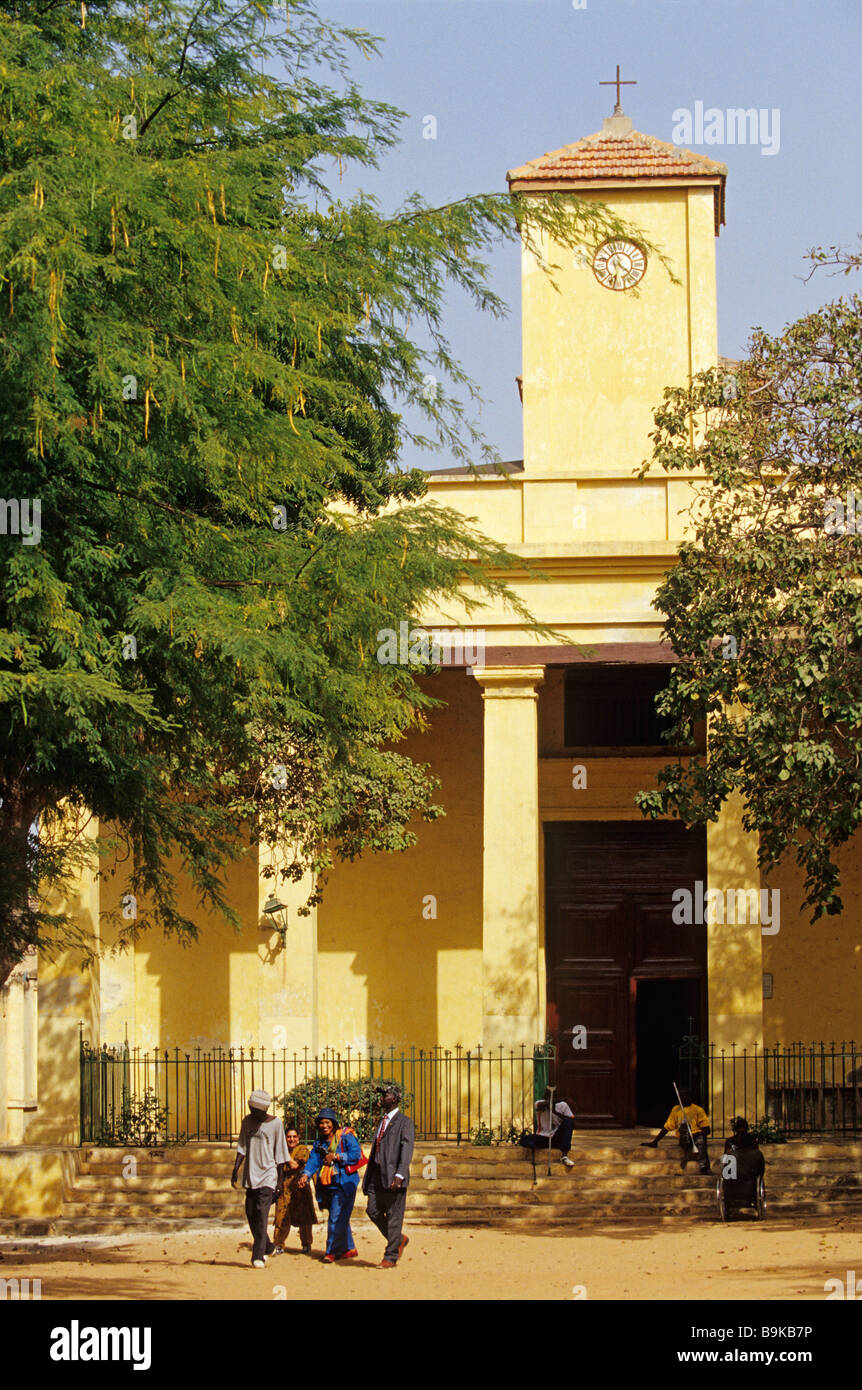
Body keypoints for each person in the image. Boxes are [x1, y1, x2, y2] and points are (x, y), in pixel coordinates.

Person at [231, 1088, 289, 1268]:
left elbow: (280, 1153)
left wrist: (279, 1180)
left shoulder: (275, 1124)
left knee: (262, 1213)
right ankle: (269, 1247)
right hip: (251, 1174)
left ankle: (257, 1256)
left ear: (263, 1110)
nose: (251, 1112)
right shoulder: (247, 1122)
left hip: (269, 1174)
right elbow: (242, 1146)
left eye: (255, 1109)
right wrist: (235, 1169)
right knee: (251, 1213)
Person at [298, 1108, 365, 1262]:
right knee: (339, 1216)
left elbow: (356, 1155)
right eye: (321, 1123)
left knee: (335, 1217)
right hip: (328, 1184)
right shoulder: (319, 1142)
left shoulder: (345, 1137)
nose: (324, 1125)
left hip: (345, 1184)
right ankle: (350, 1248)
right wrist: (306, 1175)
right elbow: (313, 1161)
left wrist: (337, 1156)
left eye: (327, 1122)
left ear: (333, 1124)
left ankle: (331, 1252)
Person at [363, 1083, 415, 1268]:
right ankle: (399, 1239)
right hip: (376, 1174)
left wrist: (400, 1174)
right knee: (372, 1210)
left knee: (394, 1216)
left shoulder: (405, 1122)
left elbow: (406, 1149)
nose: (382, 1098)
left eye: (385, 1095)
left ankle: (390, 1256)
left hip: (394, 1176)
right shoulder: (382, 1121)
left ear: (394, 1098)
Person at [642, 1088, 711, 1173]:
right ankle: (689, 1154)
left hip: (696, 1137)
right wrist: (656, 1140)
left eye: (684, 1096)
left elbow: (707, 1130)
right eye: (680, 1097)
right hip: (684, 1137)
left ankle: (704, 1167)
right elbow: (667, 1127)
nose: (682, 1099)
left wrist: (697, 1134)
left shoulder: (698, 1110)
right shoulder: (676, 1109)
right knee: (684, 1127)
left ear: (690, 1097)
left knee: (700, 1141)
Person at [272, 1124, 317, 1254]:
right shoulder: (280, 1151)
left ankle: (306, 1244)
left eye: (294, 1136)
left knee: (305, 1218)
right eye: (288, 1137)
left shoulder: (302, 1150)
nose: (291, 1139)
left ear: (299, 1138)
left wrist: (282, 1153)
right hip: (284, 1188)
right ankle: (278, 1244)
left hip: (300, 1188)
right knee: (281, 1217)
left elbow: (295, 1165)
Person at [518, 1088, 575, 1168]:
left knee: (568, 1122)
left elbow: (571, 1120)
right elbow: (543, 1105)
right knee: (524, 1140)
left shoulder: (563, 1105)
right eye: (549, 1094)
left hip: (556, 1137)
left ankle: (564, 1156)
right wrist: (561, 1100)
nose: (550, 1096)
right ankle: (535, 1149)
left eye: (553, 1094)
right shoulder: (539, 1103)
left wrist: (555, 1111)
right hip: (543, 1137)